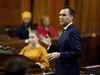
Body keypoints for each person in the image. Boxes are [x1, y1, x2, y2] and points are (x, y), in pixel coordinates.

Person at [40, 6, 82, 75]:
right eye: (60, 15)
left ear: (71, 17)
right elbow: (62, 50)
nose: (60, 17)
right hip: (62, 70)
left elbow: (78, 52)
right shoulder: (66, 30)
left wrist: (59, 54)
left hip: (69, 72)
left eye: (64, 15)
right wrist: (49, 45)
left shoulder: (73, 31)